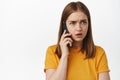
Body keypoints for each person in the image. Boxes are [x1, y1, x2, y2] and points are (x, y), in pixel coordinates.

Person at [44, 1, 110, 80]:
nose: (79, 28)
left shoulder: (99, 53)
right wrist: (64, 55)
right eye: (72, 23)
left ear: (88, 24)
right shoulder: (52, 52)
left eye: (83, 22)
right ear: (65, 26)